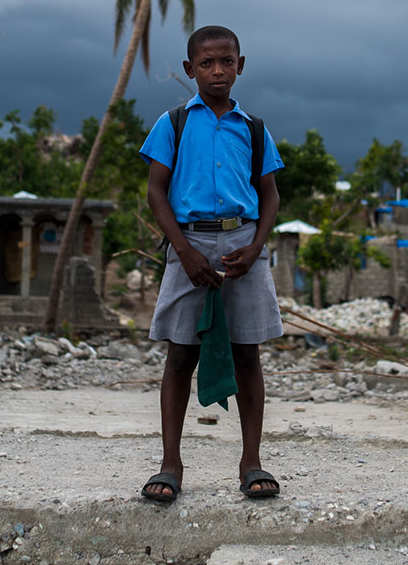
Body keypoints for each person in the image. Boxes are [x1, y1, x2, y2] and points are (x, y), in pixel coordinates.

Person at [138, 25, 285, 503]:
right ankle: (170, 464)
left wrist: (256, 246)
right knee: (181, 353)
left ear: (241, 65)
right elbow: (156, 190)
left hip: (243, 245)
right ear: (190, 70)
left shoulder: (255, 128)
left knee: (247, 354)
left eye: (226, 61)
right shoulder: (174, 123)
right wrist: (182, 250)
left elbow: (269, 195)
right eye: (206, 63)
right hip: (188, 243)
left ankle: (251, 461)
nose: (217, 70)